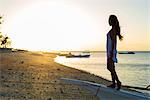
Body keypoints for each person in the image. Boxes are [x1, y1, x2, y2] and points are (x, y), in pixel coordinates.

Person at [106, 15, 123, 90]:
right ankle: (114, 83)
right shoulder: (113, 30)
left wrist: (112, 54)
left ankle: (117, 82)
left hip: (111, 52)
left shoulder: (113, 31)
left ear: (112, 21)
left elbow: (113, 43)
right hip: (110, 51)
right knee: (110, 68)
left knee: (111, 68)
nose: (108, 21)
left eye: (109, 20)